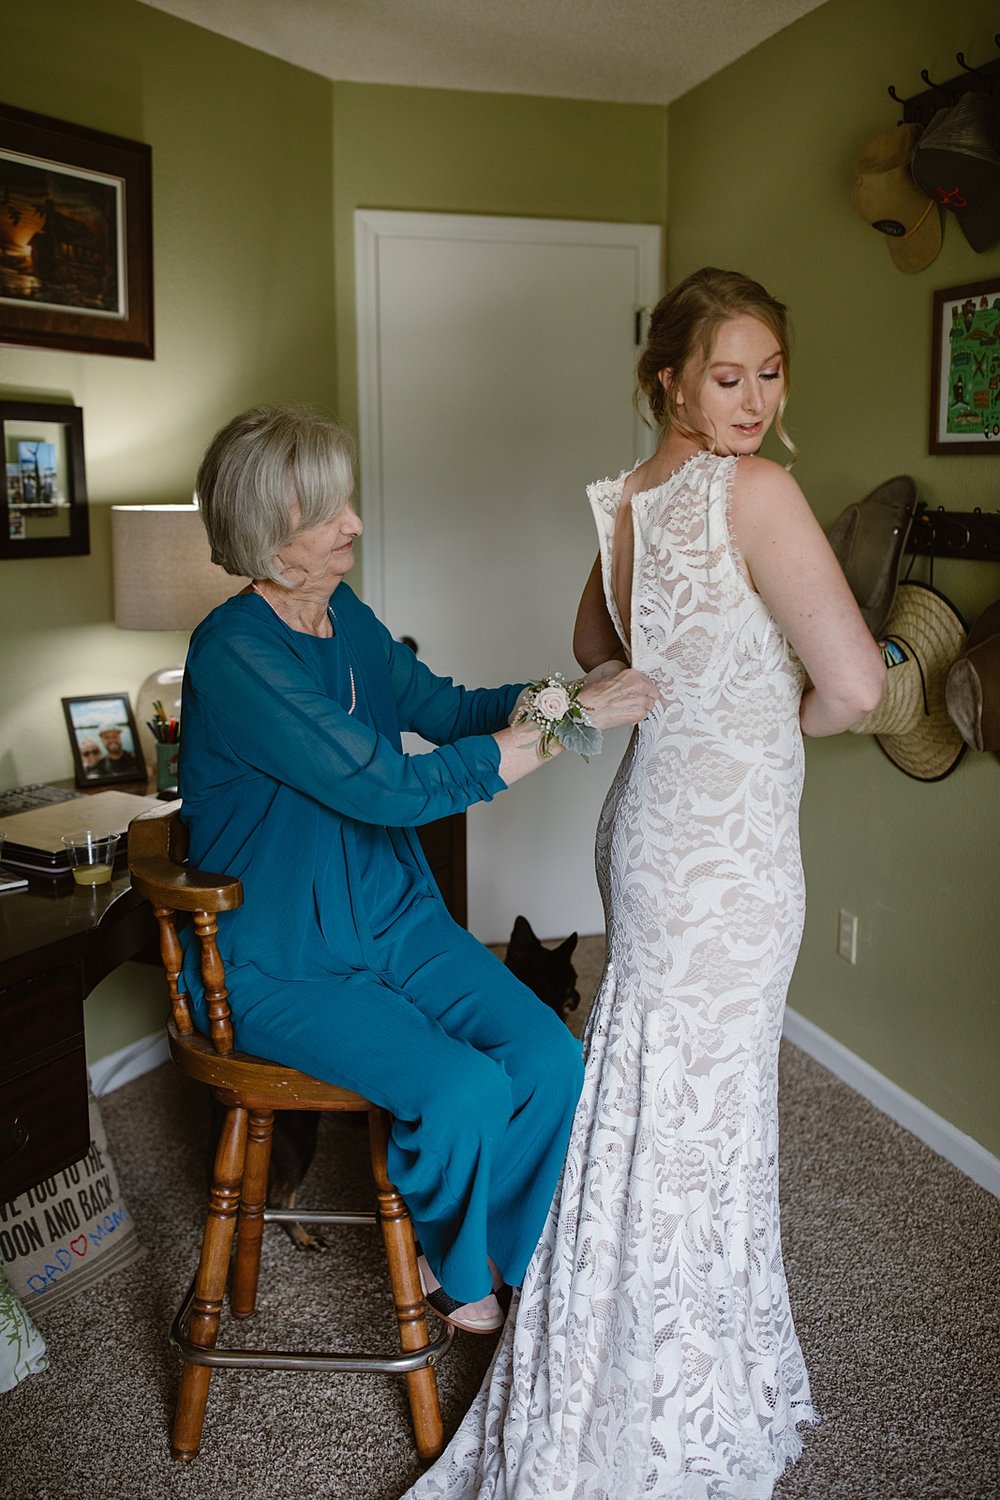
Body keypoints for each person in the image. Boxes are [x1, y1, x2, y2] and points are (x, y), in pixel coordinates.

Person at [401, 269, 886, 1497]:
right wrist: (779, 702)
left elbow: (589, 650)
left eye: (770, 373)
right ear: (665, 378)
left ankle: (630, 1358)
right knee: (702, 1114)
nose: (755, 399)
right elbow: (863, 691)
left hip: (651, 832)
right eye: (727, 376)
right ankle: (667, 1391)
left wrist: (701, 672)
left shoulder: (628, 502)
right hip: (722, 856)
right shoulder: (755, 492)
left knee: (649, 1099)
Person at [178, 405, 657, 1336]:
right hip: (281, 957)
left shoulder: (342, 614)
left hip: (395, 917)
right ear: (270, 540)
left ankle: (513, 1258)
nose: (354, 523)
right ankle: (457, 1265)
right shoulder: (233, 654)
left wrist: (568, 694)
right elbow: (390, 787)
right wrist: (569, 727)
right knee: (461, 1090)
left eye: (346, 500)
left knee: (553, 1059)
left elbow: (449, 709)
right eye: (327, 513)